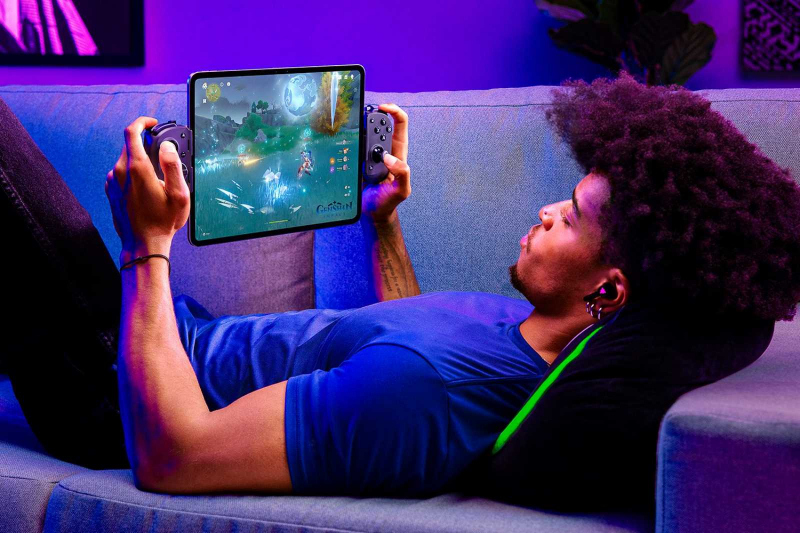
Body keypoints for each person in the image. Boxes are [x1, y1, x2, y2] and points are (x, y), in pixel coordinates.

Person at [3, 72, 800, 499]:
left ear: (611, 294)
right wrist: (383, 221)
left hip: (115, 387)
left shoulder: (431, 397)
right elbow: (407, 333)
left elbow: (174, 456)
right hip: (166, 340)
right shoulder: (522, 335)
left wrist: (147, 245)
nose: (548, 210)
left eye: (574, 216)